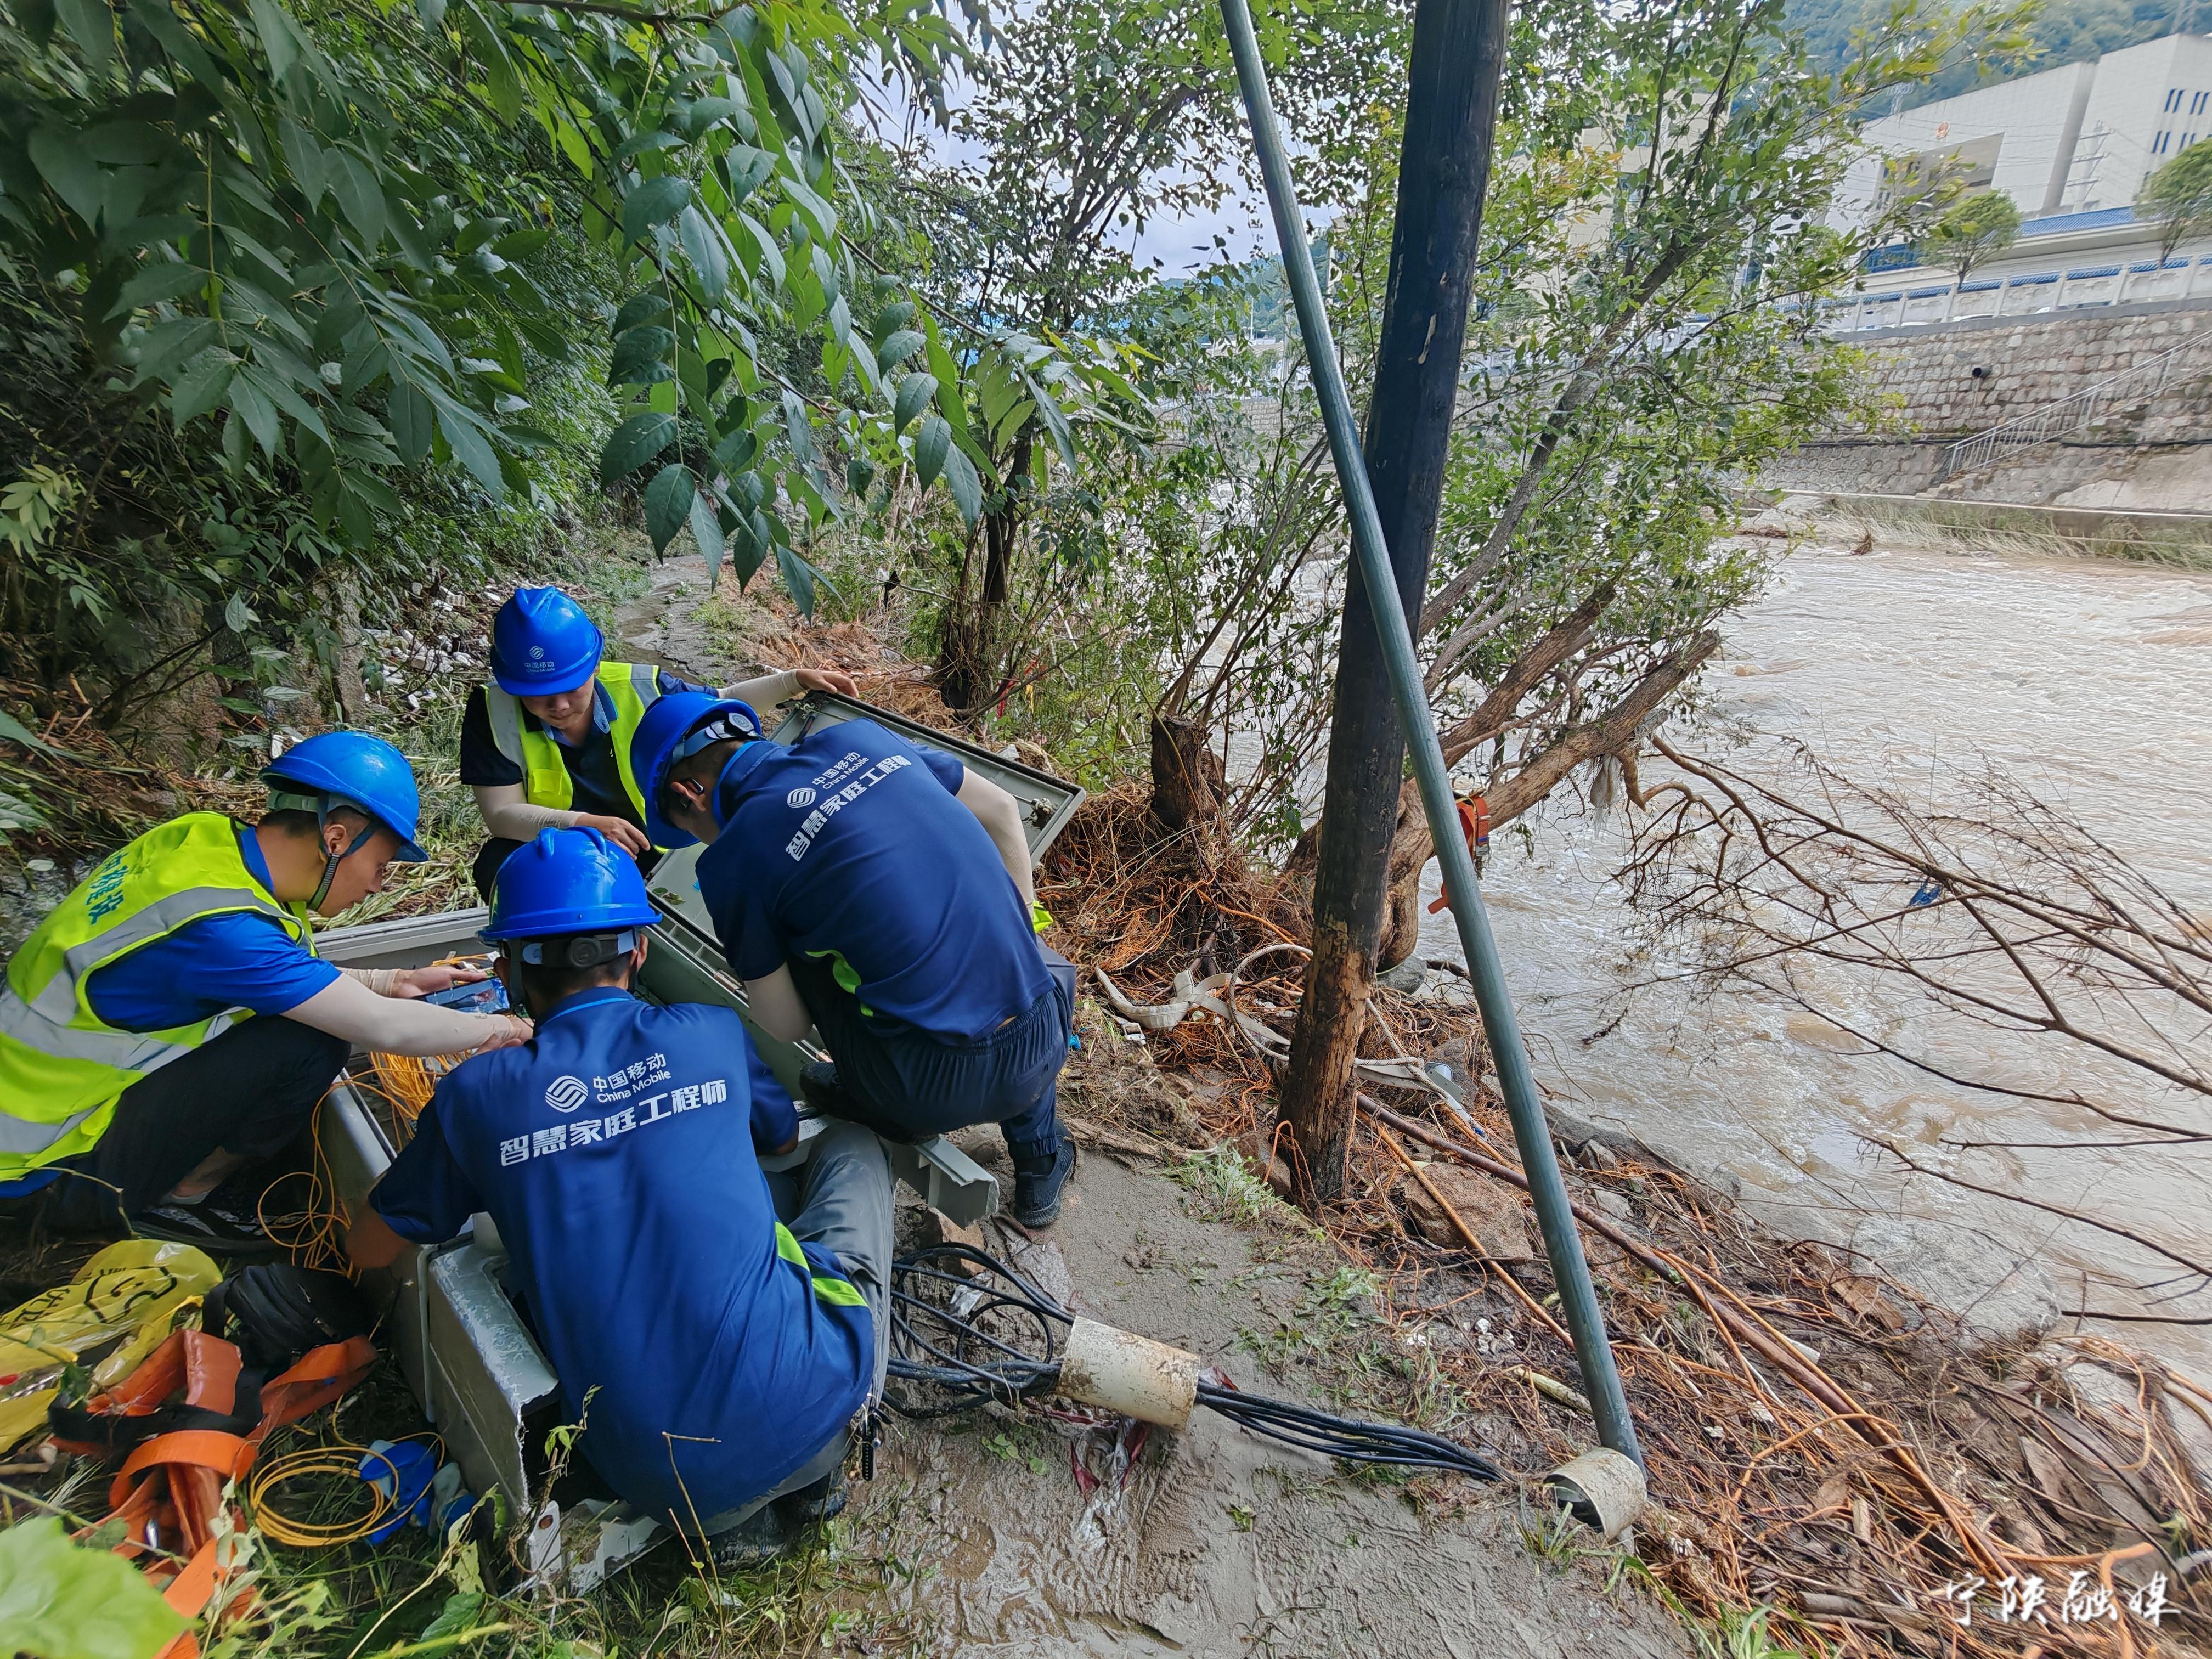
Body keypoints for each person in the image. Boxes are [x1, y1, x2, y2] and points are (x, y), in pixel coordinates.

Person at [346, 828, 891, 1563]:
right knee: (854, 1149)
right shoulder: (709, 1031)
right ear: (638, 951)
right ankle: (825, 1463)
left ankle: (733, 1524)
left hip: (661, 1479)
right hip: (816, 1403)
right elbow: (784, 1139)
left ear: (506, 971)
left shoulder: (476, 1095)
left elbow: (367, 1246)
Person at [0, 732, 531, 1243]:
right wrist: (508, 1027)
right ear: (336, 840)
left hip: (43, 1108)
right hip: (44, 1173)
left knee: (292, 1020)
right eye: (380, 865)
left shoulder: (201, 842)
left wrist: (393, 979)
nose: (377, 885)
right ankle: (186, 1198)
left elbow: (269, 972)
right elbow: (383, 1028)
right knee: (310, 1041)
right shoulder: (224, 933)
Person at [630, 692, 1078, 1227]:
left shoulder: (731, 858)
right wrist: (1021, 931)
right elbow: (1003, 810)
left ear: (688, 793)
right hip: (1048, 1022)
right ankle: (1040, 1161)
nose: (700, 839)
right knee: (994, 946)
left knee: (802, 947)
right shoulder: (861, 737)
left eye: (687, 829)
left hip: (928, 1091)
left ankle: (886, 1101)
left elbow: (786, 1024)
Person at [461, 586, 856, 899]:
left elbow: (719, 702)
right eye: (538, 694)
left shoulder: (643, 687)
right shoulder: (492, 711)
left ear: (594, 666)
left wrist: (792, 680)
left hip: (653, 845)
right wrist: (583, 825)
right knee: (498, 864)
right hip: (564, 853)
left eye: (572, 687)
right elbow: (502, 814)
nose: (559, 706)